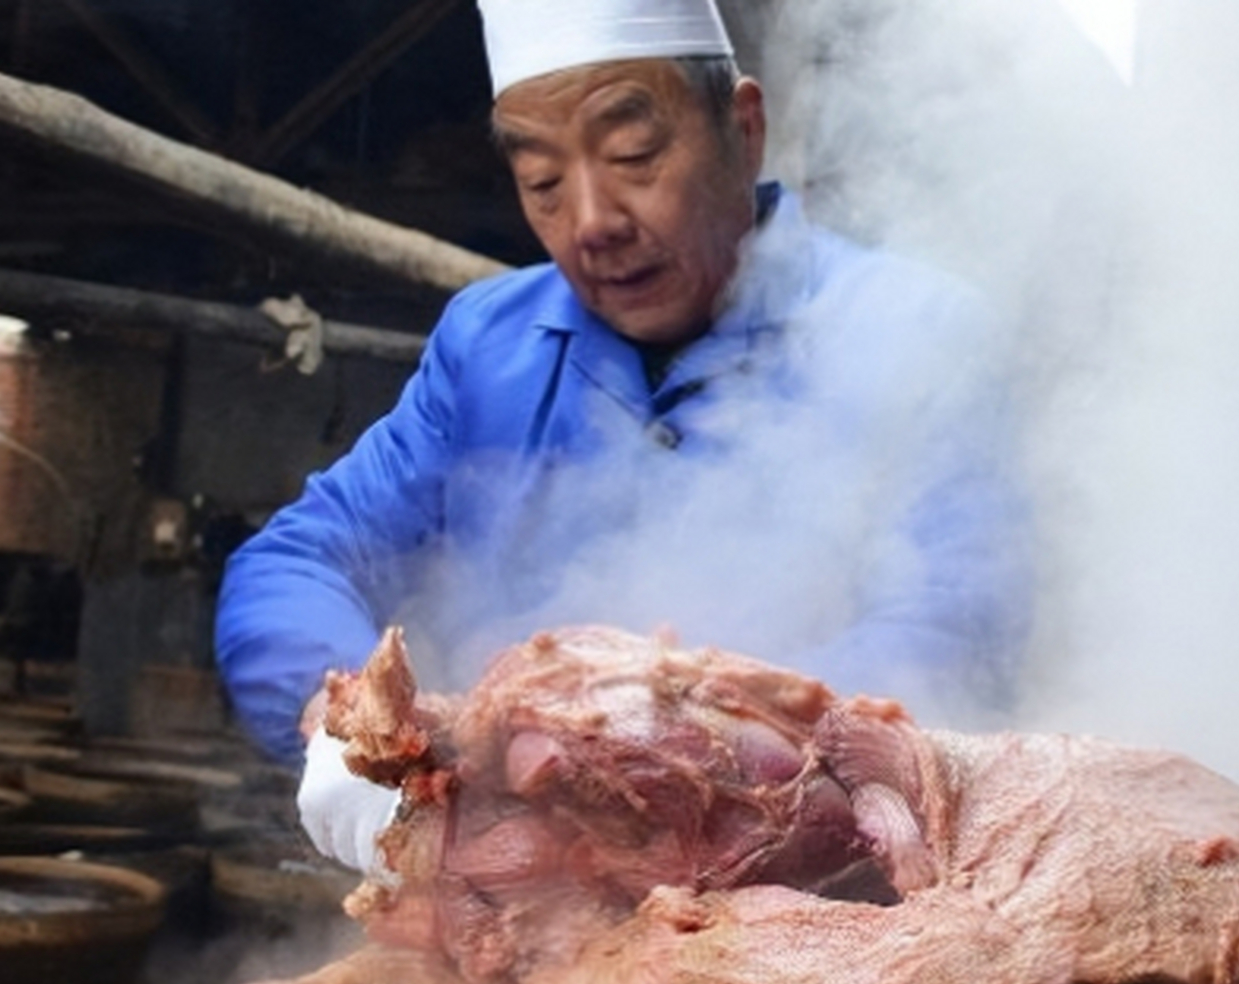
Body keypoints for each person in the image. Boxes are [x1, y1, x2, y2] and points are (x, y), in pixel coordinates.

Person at [215, 0, 1034, 871]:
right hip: (518, 897)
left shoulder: (916, 332)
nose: (594, 220)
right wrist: (342, 732)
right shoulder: (489, 345)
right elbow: (297, 561)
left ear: (743, 130)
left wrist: (666, 754)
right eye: (543, 184)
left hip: (811, 904)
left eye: (635, 156)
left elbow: (955, 632)